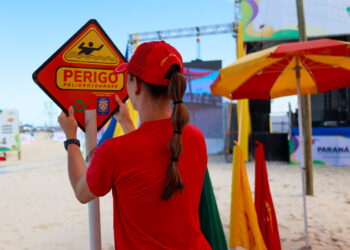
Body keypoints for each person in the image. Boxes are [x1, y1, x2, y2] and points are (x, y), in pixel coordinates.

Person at [58, 41, 211, 249]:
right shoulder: (196, 138)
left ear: (135, 85)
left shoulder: (114, 152)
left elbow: (81, 191)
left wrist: (71, 138)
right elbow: (149, 160)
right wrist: (127, 122)